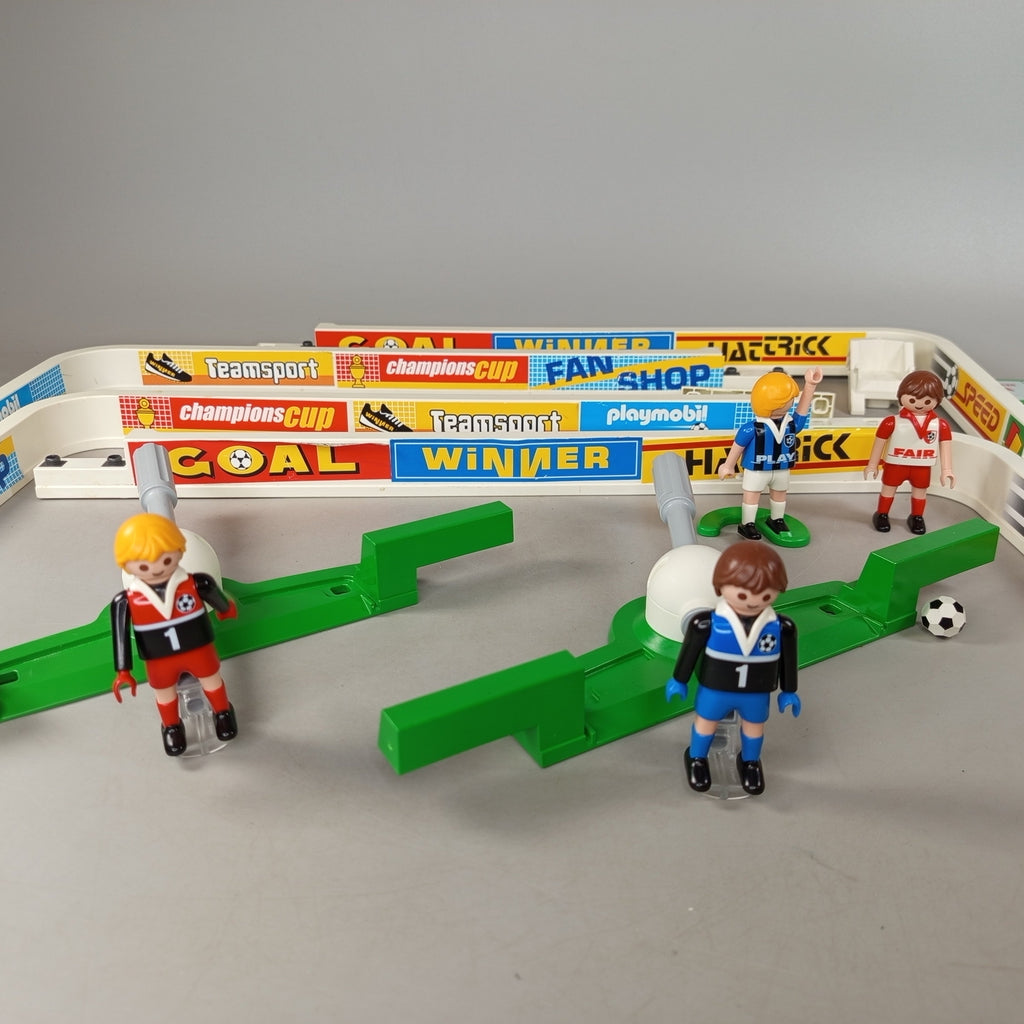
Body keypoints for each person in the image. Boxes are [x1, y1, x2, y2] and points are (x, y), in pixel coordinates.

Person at [665, 542, 799, 795]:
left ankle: (750, 762)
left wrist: (789, 690)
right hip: (716, 688)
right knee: (706, 721)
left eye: (765, 596)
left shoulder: (781, 628)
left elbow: (788, 660)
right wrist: (679, 679)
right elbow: (690, 652)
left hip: (756, 691)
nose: (753, 602)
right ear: (721, 586)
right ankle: (697, 758)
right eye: (743, 595)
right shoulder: (706, 624)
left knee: (754, 726)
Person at [110, 513, 238, 756]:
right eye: (144, 566)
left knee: (211, 678)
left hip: (197, 647)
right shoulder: (127, 600)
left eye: (166, 560)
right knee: (164, 691)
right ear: (126, 564)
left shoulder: (195, 583)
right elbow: (120, 636)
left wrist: (225, 609)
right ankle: (171, 727)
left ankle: (222, 713)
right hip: (159, 658)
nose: (157, 569)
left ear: (179, 551)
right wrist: (123, 670)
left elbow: (217, 598)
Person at [718, 367, 823, 539]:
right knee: (752, 495)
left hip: (781, 467)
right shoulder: (751, 428)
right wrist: (728, 465)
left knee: (780, 494)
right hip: (757, 469)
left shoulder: (790, 423)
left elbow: (801, 413)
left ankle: (776, 519)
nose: (791, 402)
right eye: (787, 399)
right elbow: (738, 446)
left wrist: (810, 386)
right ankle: (747, 523)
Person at [864, 369, 954, 534]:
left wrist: (947, 470)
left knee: (920, 492)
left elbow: (945, 446)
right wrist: (872, 465)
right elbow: (879, 443)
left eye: (927, 401)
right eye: (913, 399)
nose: (919, 404)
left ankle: (917, 517)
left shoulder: (940, 425)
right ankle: (882, 514)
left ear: (937, 400)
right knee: (888, 489)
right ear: (901, 396)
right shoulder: (891, 422)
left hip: (922, 466)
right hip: (896, 464)